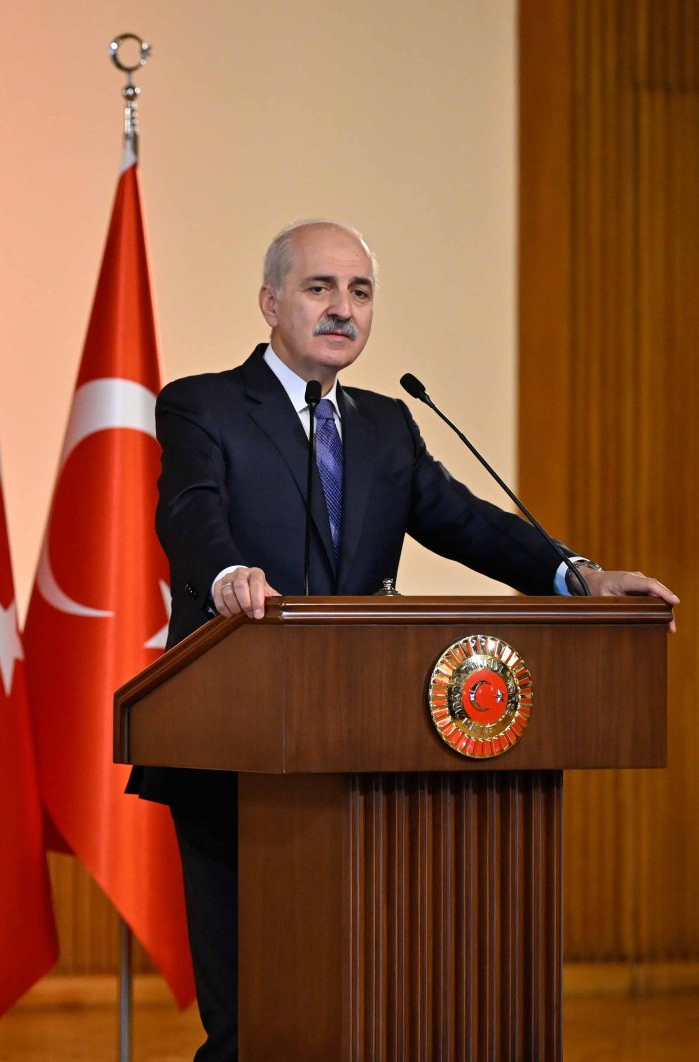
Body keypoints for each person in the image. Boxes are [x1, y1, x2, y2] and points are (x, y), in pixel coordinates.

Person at [126, 218, 678, 1061]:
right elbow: (190, 508)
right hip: (235, 740)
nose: (342, 308)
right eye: (320, 288)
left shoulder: (386, 426)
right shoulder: (203, 404)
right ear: (271, 302)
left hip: (364, 753)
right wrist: (228, 571)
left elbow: (466, 523)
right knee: (255, 1021)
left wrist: (580, 575)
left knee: (364, 1007)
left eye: (360, 291)